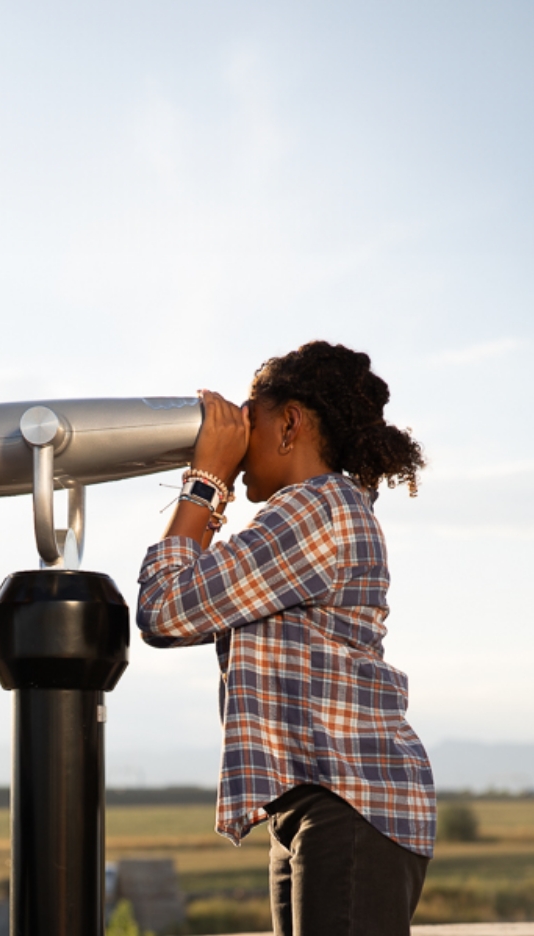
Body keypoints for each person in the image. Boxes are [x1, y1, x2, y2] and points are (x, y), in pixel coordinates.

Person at [136, 342, 434, 936]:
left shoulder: (316, 511)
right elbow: (181, 609)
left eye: (252, 418)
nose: (241, 439)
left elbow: (164, 609)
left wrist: (206, 479)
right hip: (317, 802)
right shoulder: (311, 513)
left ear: (291, 423)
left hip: (348, 801)